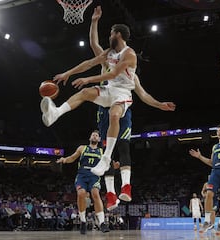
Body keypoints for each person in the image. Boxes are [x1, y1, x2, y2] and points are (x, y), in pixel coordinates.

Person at [89, 5, 176, 210]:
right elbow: (94, 43)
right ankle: (110, 194)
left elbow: (143, 95)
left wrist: (159, 104)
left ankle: (126, 187)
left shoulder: (132, 77)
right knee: (105, 152)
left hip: (122, 109)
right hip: (104, 108)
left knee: (123, 146)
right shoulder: (107, 62)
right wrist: (94, 21)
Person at [42, 19, 138, 179]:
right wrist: (68, 73)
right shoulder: (109, 53)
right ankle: (55, 113)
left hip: (123, 93)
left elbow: (113, 74)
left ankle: (106, 159)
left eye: (111, 33)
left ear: (118, 34)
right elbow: (89, 62)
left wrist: (87, 79)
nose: (109, 36)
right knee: (85, 93)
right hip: (108, 91)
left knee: (114, 117)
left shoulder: (129, 53)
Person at [56, 130, 110, 234]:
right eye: (93, 135)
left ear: (99, 139)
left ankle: (102, 223)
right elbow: (72, 158)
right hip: (82, 175)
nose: (94, 136)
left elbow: (107, 164)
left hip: (94, 176)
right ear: (90, 138)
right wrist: (64, 160)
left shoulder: (102, 151)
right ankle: (83, 221)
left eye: (96, 136)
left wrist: (114, 166)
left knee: (95, 193)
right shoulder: (82, 148)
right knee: (81, 194)